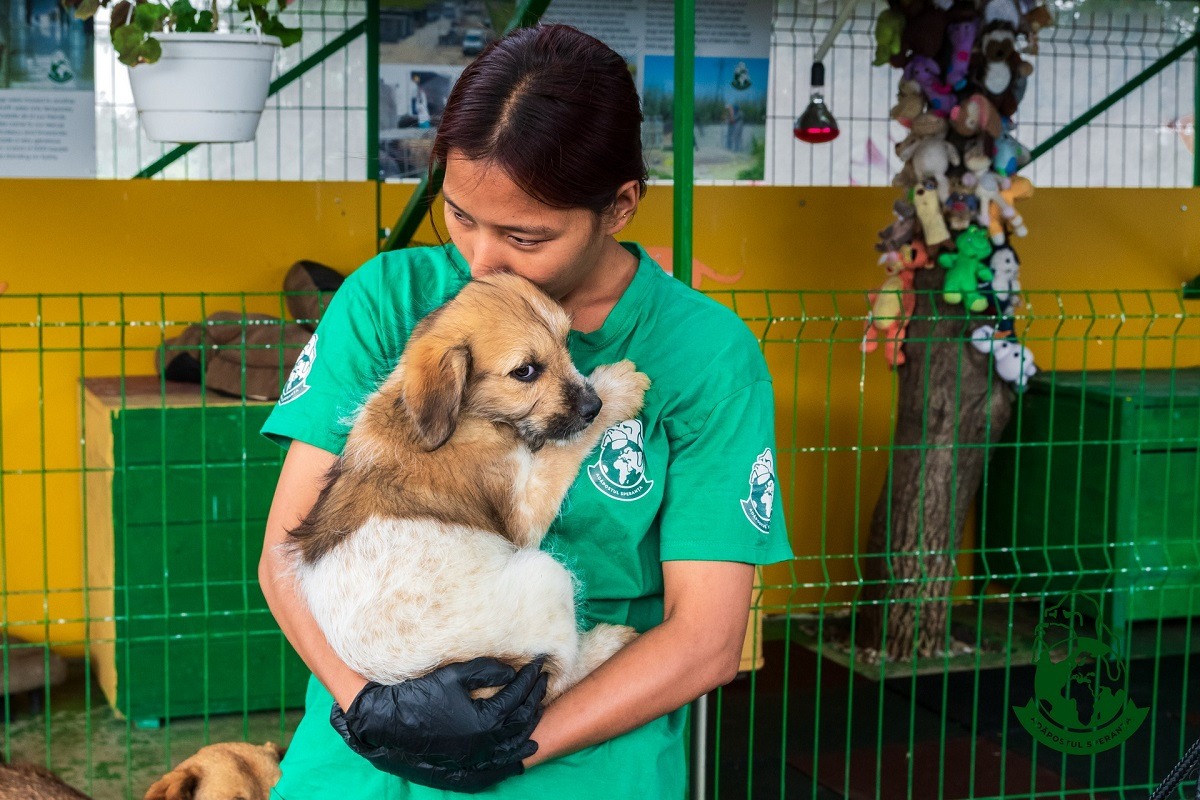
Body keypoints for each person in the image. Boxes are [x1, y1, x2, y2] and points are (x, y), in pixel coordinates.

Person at [258, 23, 792, 800]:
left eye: (524, 235)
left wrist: (503, 748)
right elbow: (286, 550)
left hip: (576, 749)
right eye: (462, 217)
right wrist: (371, 706)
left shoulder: (707, 356)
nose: (480, 263)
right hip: (365, 748)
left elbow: (705, 639)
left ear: (619, 206)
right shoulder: (387, 302)